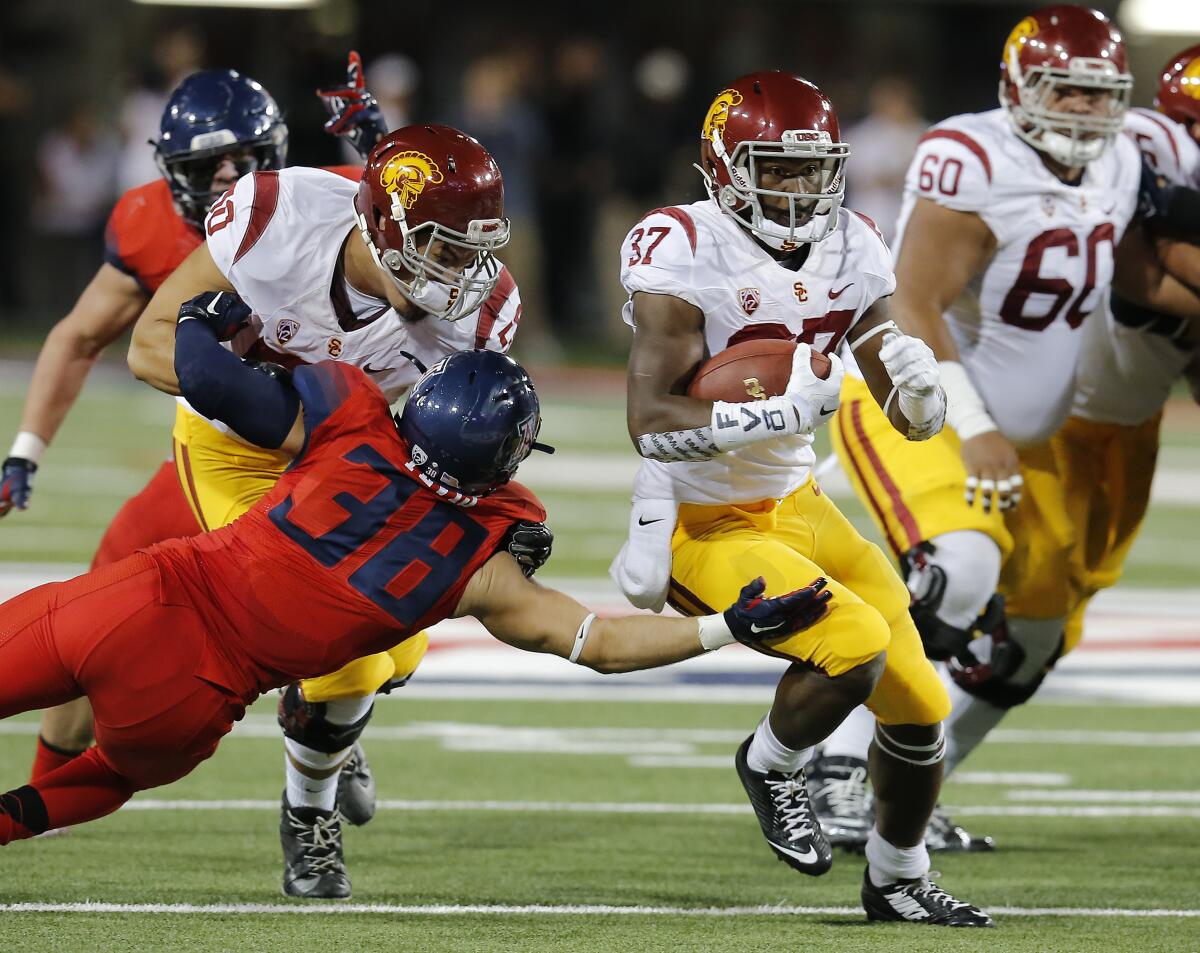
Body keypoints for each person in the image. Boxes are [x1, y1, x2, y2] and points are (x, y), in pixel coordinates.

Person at [0, 337, 833, 855]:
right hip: (193, 697)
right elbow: (600, 643)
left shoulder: (352, 417)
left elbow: (210, 379)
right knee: (106, 777)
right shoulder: (479, 564)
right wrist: (723, 626)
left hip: (139, 602)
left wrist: (198, 323)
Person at [807, 6, 1199, 852]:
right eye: (1067, 92)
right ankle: (823, 763)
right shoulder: (971, 156)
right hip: (915, 402)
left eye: (1102, 98)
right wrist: (977, 424)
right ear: (1020, 88)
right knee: (961, 567)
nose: (1085, 115)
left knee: (1032, 636)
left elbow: (1141, 275)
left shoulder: (1126, 158)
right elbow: (911, 307)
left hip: (1026, 438)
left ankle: (903, 789)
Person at [611, 70, 990, 927]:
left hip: (795, 497)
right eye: (775, 168)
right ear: (724, 166)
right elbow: (649, 420)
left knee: (920, 702)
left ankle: (898, 877)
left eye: (812, 168)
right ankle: (773, 761)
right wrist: (773, 411)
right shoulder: (681, 246)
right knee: (850, 641)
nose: (798, 186)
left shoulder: (852, 240)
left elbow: (879, 341)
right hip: (701, 513)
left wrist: (917, 399)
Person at [126, 124, 527, 899]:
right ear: (384, 225)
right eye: (444, 249)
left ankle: (327, 722)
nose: (465, 275)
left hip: (357, 463)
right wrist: (257, 401)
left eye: (474, 251)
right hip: (233, 450)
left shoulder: (481, 313)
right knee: (338, 649)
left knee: (390, 653)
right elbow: (146, 345)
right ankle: (309, 807)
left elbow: (449, 432)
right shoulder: (278, 222)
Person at [0, 68, 302, 792]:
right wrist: (25, 450)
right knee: (90, 613)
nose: (228, 181)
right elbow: (78, 337)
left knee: (335, 615)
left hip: (325, 452)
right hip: (217, 451)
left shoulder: (323, 208)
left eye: (244, 163)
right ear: (171, 171)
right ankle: (43, 803)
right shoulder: (149, 222)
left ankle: (325, 754)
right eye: (206, 167)